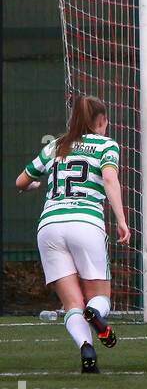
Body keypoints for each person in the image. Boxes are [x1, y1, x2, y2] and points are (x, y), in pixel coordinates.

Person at [16, 96, 129, 373]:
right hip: (85, 223)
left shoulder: (56, 145)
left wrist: (31, 188)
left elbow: (21, 181)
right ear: (101, 121)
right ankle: (96, 314)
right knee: (99, 297)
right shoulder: (106, 145)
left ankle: (87, 350)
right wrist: (122, 220)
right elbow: (110, 179)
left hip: (50, 227)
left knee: (71, 304)